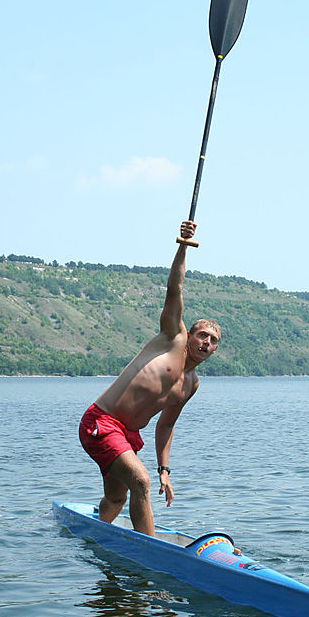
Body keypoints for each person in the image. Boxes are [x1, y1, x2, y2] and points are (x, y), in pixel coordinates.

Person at [79, 220, 221, 536]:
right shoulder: (172, 337)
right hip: (101, 422)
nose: (205, 343)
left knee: (118, 497)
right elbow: (176, 287)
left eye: (212, 341)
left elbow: (166, 424)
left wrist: (165, 470)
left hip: (127, 435)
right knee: (139, 482)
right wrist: (184, 245)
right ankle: (149, 552)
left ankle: (92, 532)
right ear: (191, 334)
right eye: (202, 335)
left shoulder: (191, 384)